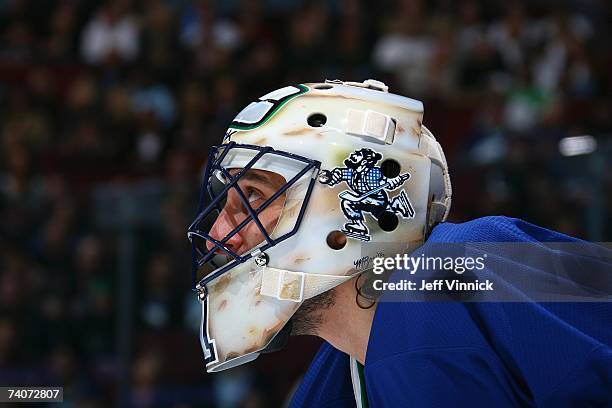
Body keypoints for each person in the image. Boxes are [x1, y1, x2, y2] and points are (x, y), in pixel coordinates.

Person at [187, 79, 612, 407]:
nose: (221, 234)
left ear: (343, 207)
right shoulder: (332, 385)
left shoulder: (466, 262)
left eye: (254, 198)